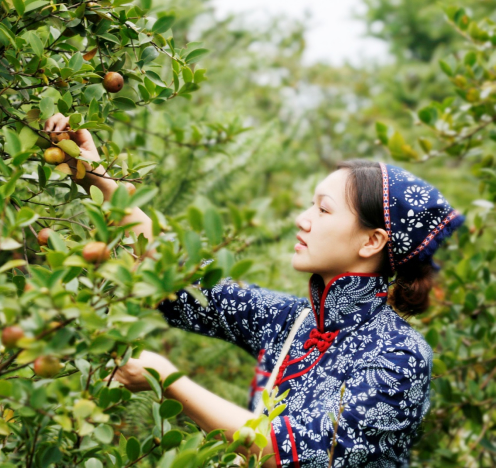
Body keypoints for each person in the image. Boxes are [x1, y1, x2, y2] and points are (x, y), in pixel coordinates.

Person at [44, 113, 466, 467]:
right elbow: (173, 273)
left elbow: (296, 453)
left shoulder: (399, 355)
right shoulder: (292, 321)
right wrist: (97, 177)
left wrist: (168, 379)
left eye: (323, 209)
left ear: (371, 241)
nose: (302, 219)